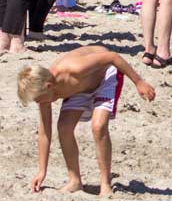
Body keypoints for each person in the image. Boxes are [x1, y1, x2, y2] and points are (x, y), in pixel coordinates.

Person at [17, 46, 157, 195]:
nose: (39, 103)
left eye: (38, 99)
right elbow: (45, 132)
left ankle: (105, 184)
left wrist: (139, 82)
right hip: (80, 88)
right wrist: (42, 171)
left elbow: (112, 57)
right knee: (64, 128)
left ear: (49, 86)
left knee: (98, 126)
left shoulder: (74, 69)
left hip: (105, 77)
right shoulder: (45, 92)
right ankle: (74, 181)